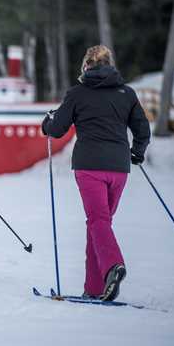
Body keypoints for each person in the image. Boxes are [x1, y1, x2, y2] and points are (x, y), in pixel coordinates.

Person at [41, 45, 150, 301]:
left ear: (86, 66)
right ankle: (95, 287)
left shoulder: (77, 93)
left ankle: (113, 266)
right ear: (110, 65)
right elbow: (142, 129)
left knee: (98, 221)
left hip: (89, 166)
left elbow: (57, 129)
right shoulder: (127, 93)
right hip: (119, 169)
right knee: (99, 223)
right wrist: (137, 152)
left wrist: (46, 123)